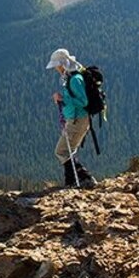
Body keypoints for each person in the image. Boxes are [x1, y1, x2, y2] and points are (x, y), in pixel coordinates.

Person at [47, 48, 96, 189]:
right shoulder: (70, 77)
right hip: (74, 119)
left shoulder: (75, 79)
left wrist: (63, 99)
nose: (56, 68)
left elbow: (83, 102)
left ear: (62, 64)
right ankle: (72, 181)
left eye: (57, 65)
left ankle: (84, 177)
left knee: (61, 151)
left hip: (77, 120)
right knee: (67, 151)